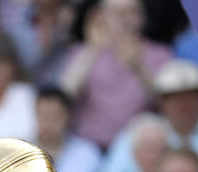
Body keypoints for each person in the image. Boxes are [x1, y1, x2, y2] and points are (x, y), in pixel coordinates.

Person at [59, 0, 172, 150]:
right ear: (101, 16)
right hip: (89, 146)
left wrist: (139, 68)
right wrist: (93, 49)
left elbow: (167, 104)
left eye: (132, 11)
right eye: (116, 12)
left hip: (139, 149)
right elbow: (65, 95)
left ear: (142, 17)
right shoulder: (82, 52)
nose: (124, 18)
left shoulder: (160, 54)